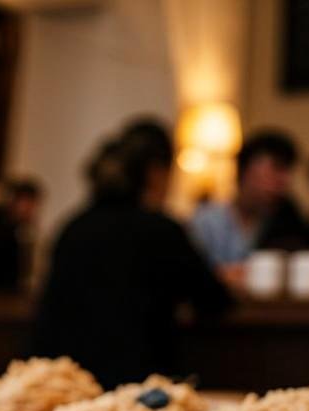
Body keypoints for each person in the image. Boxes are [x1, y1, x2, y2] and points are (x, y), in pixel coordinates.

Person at [33, 118, 231, 389]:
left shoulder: (72, 226)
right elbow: (214, 300)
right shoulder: (161, 229)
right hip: (137, 388)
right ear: (155, 173)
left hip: (65, 386)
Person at [189, 130, 309, 276]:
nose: (283, 182)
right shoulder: (206, 221)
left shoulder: (285, 220)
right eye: (276, 169)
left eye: (287, 173)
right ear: (245, 170)